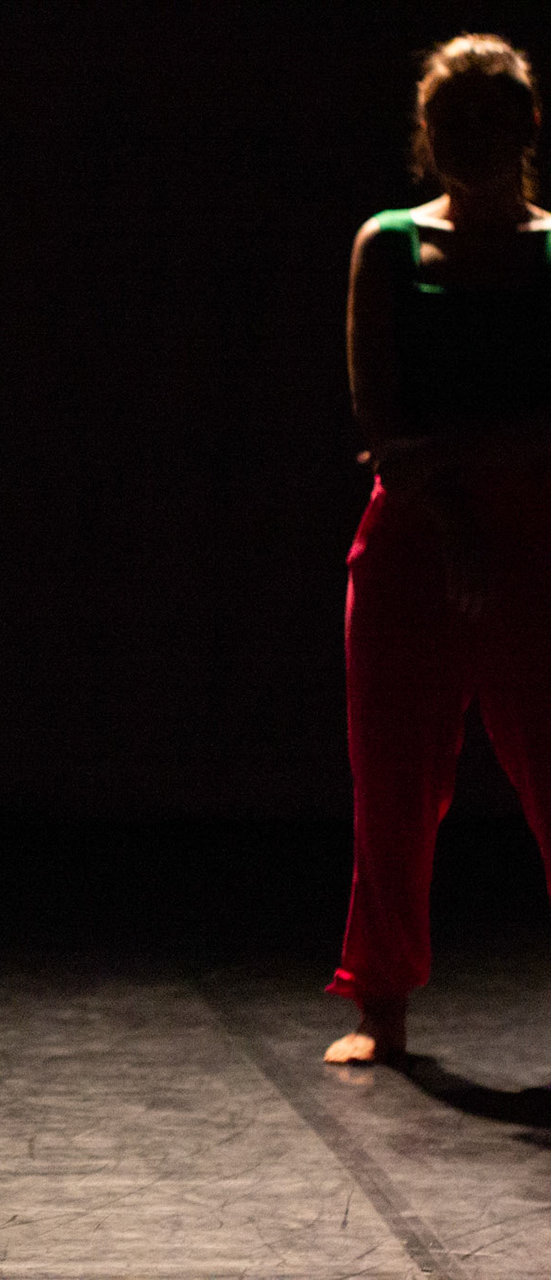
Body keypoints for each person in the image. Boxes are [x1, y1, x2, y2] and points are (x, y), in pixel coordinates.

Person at [326, 34, 551, 1064]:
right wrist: (454, 510)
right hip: (413, 540)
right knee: (395, 780)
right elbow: (380, 417)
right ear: (426, 132)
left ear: (526, 127)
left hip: (536, 543)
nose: (469, 136)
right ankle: (381, 1001)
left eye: (489, 117)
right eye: (450, 120)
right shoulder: (389, 244)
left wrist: (456, 462)